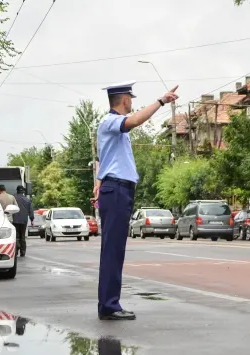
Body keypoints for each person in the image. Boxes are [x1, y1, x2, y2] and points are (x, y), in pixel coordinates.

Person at [93, 80, 178, 321]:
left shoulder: (112, 127)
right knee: (112, 250)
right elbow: (136, 120)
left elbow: (107, 159)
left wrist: (99, 180)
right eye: (131, 97)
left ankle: (109, 303)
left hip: (119, 188)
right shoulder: (111, 121)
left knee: (115, 249)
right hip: (117, 189)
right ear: (124, 99)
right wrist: (161, 101)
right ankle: (109, 305)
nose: (132, 101)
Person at [12, 185, 34, 257]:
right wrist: (32, 220)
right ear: (23, 191)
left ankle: (16, 248)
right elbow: (30, 210)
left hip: (14, 220)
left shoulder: (13, 198)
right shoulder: (27, 200)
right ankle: (23, 252)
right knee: (23, 236)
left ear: (17, 190)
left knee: (16, 236)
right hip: (24, 220)